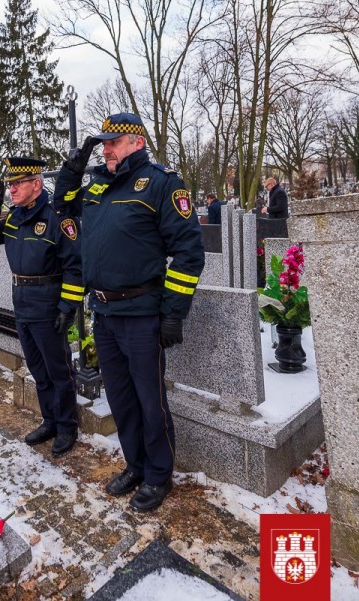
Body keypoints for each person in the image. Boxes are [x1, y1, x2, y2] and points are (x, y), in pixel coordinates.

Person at [53, 113, 205, 511]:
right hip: (104, 313)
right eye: (103, 143)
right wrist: (71, 171)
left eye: (113, 142)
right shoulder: (97, 186)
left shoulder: (161, 183)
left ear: (137, 142)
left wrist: (173, 312)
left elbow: (189, 252)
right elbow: (62, 208)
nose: (106, 150)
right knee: (120, 399)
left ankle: (159, 474)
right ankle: (136, 464)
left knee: (150, 401)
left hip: (141, 314)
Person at [0, 157, 84, 457]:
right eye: (9, 184)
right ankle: (50, 420)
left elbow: (75, 267)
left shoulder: (57, 218)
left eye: (17, 184)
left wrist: (67, 306)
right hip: (22, 305)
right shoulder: (15, 217)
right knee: (38, 369)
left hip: (48, 307)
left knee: (58, 371)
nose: (11, 189)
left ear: (36, 184)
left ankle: (67, 426)